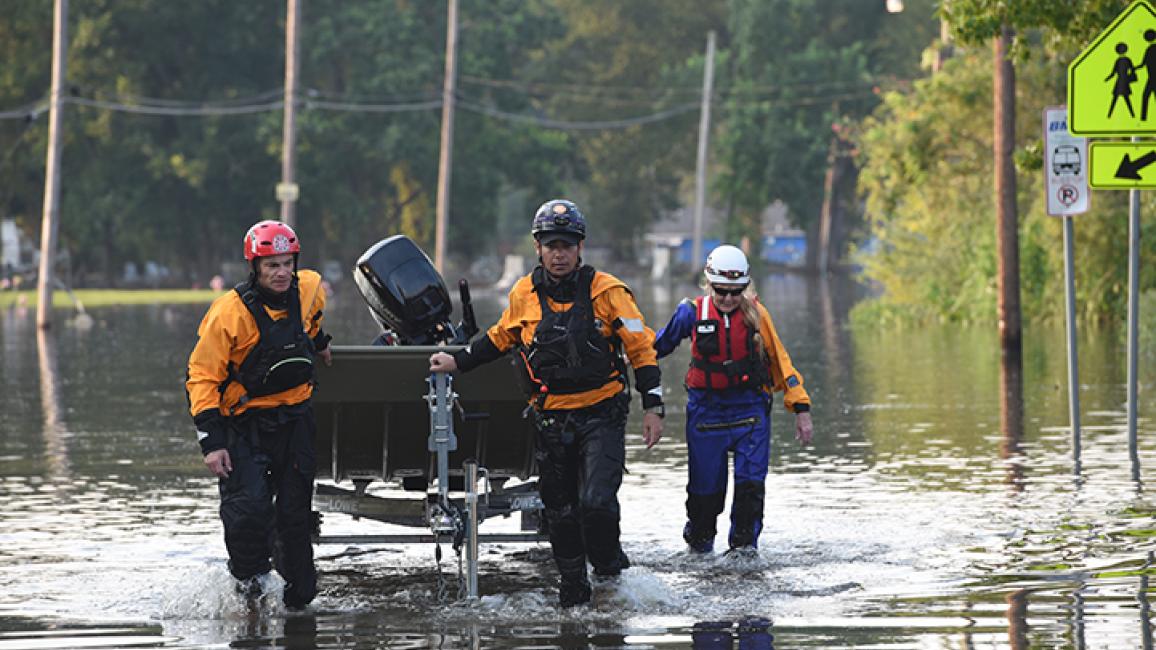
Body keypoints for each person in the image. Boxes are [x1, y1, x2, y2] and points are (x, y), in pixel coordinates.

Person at [428, 199, 665, 607]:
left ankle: (609, 569)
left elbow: (641, 348)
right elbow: (500, 338)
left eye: (567, 245)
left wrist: (653, 407)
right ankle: (573, 587)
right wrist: (458, 360)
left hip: (601, 414)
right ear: (538, 247)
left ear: (580, 248)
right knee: (561, 511)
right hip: (552, 419)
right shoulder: (524, 294)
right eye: (551, 245)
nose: (559, 253)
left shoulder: (608, 292)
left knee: (597, 503)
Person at [186, 220, 333, 609]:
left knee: (294, 516)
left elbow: (311, 321)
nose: (282, 273)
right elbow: (201, 377)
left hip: (296, 420)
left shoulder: (311, 289)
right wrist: (211, 442)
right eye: (272, 266)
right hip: (244, 425)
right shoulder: (228, 314)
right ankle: (249, 597)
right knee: (248, 511)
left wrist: (318, 343)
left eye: (287, 264)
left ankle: (297, 601)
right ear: (255, 268)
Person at [654, 244, 812, 555]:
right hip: (706, 415)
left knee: (750, 490)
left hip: (750, 414)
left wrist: (801, 408)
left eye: (735, 291)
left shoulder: (758, 315)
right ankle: (700, 549)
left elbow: (782, 361)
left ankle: (744, 555)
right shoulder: (690, 313)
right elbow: (653, 348)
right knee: (705, 496)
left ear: (745, 287)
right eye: (721, 291)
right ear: (708, 284)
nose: (728, 299)